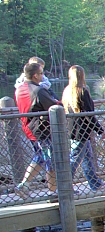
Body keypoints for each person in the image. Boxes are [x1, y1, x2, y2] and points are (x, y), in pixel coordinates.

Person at [13, 61, 59, 196]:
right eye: (41, 73)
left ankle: (25, 185)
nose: (42, 76)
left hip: (28, 127)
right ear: (34, 76)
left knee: (41, 156)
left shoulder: (19, 89)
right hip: (41, 129)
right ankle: (53, 191)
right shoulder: (38, 91)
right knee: (50, 160)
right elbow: (52, 105)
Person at [63, 65, 104, 191]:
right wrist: (100, 130)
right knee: (74, 160)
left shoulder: (67, 91)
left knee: (87, 158)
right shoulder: (82, 91)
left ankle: (94, 183)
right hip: (81, 131)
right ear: (82, 75)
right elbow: (89, 115)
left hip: (72, 129)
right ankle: (64, 186)